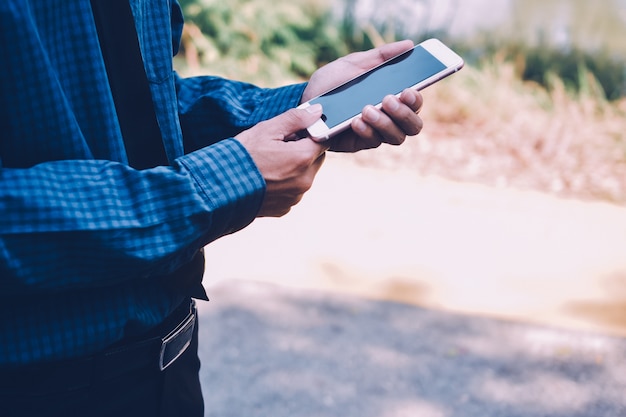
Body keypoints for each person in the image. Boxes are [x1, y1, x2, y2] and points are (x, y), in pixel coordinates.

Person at [0, 0, 424, 416]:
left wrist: (305, 109)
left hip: (171, 363)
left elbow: (139, 106)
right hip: (35, 388)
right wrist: (220, 181)